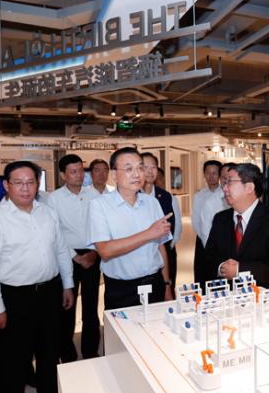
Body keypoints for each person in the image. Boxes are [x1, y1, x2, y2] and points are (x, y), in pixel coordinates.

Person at [0, 160, 74, 393]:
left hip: (49, 292)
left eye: (31, 182)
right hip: (14, 298)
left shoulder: (47, 213)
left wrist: (67, 284)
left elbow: (61, 250)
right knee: (11, 364)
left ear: (37, 184)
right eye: (18, 183)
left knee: (48, 352)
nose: (25, 188)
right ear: (6, 186)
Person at [87, 147, 173, 310]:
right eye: (128, 169)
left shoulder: (152, 203)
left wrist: (167, 284)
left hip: (155, 283)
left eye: (140, 168)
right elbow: (105, 250)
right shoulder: (99, 205)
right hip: (122, 290)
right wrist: (148, 234)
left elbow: (161, 247)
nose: (137, 174)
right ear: (114, 175)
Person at [45, 154, 101, 361]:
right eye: (73, 172)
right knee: (66, 309)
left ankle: (90, 351)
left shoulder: (94, 195)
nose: (79, 175)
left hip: (93, 255)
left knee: (91, 307)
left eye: (81, 170)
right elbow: (54, 233)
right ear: (63, 175)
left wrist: (95, 253)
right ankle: (67, 355)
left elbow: (101, 226)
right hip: (66, 257)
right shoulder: (54, 199)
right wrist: (75, 257)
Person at [204, 163, 269, 288]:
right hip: (225, 296)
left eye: (229, 182)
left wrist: (240, 270)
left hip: (262, 297)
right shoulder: (220, 219)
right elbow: (208, 258)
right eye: (224, 182)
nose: (224, 188)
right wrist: (222, 268)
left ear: (249, 187)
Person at [140, 153, 182, 289]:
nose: (150, 171)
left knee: (167, 290)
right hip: (140, 255)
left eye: (153, 167)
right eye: (145, 167)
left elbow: (174, 223)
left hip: (165, 252)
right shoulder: (132, 196)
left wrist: (169, 245)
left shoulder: (166, 196)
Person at [192, 160, 228, 287]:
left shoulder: (225, 193)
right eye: (208, 173)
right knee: (203, 276)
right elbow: (196, 221)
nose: (211, 176)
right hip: (203, 240)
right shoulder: (199, 195)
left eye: (214, 173)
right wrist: (206, 241)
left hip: (222, 241)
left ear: (219, 175)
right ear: (204, 174)